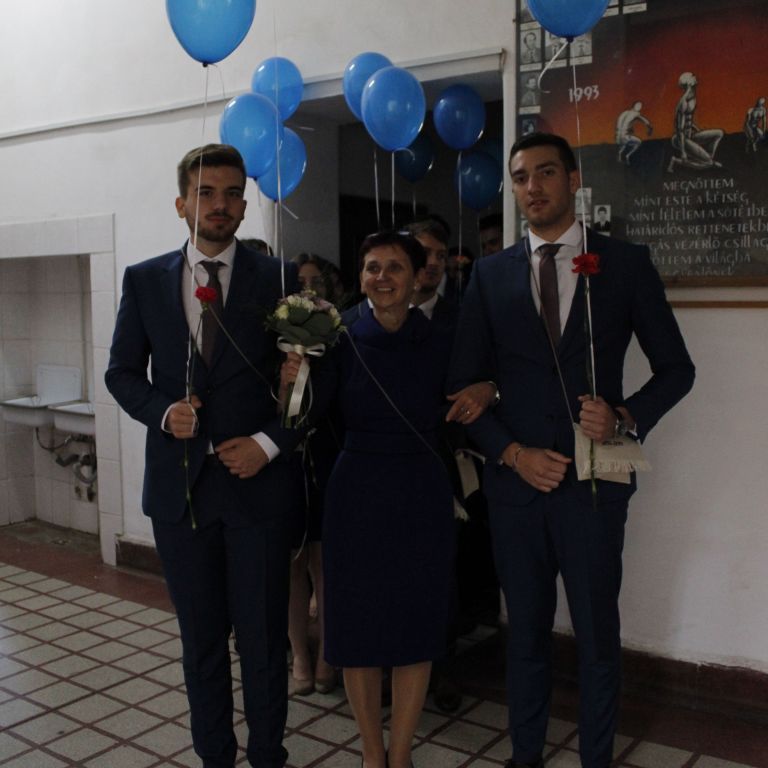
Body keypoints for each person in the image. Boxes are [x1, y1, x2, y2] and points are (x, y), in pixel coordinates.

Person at [448, 132, 695, 768]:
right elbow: (466, 390)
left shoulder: (624, 263)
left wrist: (624, 415)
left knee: (596, 636)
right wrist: (511, 453)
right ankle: (525, 754)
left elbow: (677, 369)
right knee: (525, 634)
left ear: (574, 178)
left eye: (546, 172)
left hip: (594, 484)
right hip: (516, 489)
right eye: (521, 177)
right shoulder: (489, 275)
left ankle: (595, 758)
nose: (533, 187)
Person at [106, 144, 313, 768]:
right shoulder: (145, 280)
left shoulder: (280, 280)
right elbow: (121, 373)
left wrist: (268, 444)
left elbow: (310, 388)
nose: (219, 205)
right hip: (181, 493)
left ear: (245, 206)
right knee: (200, 642)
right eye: (205, 193)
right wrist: (164, 411)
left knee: (264, 642)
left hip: (258, 490)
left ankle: (268, 755)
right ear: (181, 204)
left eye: (231, 194)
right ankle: (215, 757)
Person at [303, 231, 492, 768]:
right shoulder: (336, 337)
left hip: (421, 487)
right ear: (360, 277)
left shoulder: (445, 338)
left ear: (416, 278)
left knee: (416, 621)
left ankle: (402, 752)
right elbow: (310, 414)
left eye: (394, 267)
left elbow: (473, 395)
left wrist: (487, 390)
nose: (381, 277)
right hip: (355, 489)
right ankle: (371, 752)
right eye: (371, 267)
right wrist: (295, 379)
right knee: (357, 625)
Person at [286, 251, 338, 697]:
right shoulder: (275, 340)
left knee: (326, 563)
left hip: (329, 458)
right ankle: (299, 654)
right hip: (286, 460)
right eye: (300, 282)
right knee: (293, 563)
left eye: (316, 282)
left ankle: (327, 655)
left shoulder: (340, 339)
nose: (309, 289)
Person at [667, 72, 723, 172]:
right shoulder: (684, 102)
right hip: (681, 139)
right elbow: (680, 129)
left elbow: (688, 120)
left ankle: (707, 158)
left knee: (719, 133)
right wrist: (683, 152)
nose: (695, 78)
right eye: (692, 77)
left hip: (690, 136)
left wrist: (696, 129)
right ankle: (676, 161)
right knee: (708, 163)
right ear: (688, 82)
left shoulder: (693, 97)